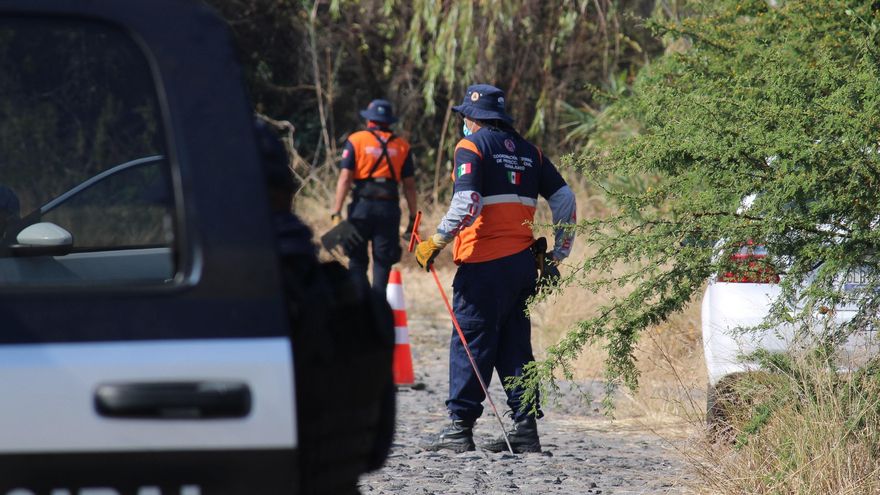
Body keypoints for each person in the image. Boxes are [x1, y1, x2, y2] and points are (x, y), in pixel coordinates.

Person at [415, 84, 577, 453]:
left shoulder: (471, 146)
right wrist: (558, 255)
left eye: (463, 118)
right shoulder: (530, 152)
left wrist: (436, 241)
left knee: (471, 342)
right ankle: (524, 431)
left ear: (472, 118)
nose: (463, 124)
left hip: (483, 264)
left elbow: (468, 200)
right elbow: (565, 198)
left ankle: (459, 430)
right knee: (514, 346)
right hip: (522, 267)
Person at [332, 99, 418, 292]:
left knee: (356, 260)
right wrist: (413, 218)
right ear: (389, 121)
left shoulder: (356, 140)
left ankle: (361, 309)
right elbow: (410, 186)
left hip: (360, 208)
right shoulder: (403, 146)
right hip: (388, 209)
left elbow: (345, 177)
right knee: (383, 262)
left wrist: (335, 212)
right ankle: (379, 308)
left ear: (369, 121)